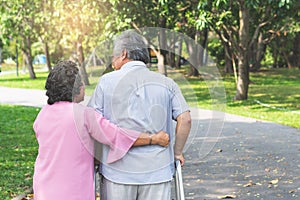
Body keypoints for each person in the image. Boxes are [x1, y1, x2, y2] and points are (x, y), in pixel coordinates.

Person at [32, 60, 170, 200]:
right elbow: (115, 135)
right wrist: (153, 139)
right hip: (73, 190)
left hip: (44, 188)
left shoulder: (43, 114)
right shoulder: (83, 114)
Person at [88, 30, 191, 200]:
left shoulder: (106, 82)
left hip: (117, 172)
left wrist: (97, 157)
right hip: (157, 171)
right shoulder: (167, 83)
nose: (113, 63)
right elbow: (185, 119)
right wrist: (177, 152)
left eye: (113, 57)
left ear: (124, 54)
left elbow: (94, 126)